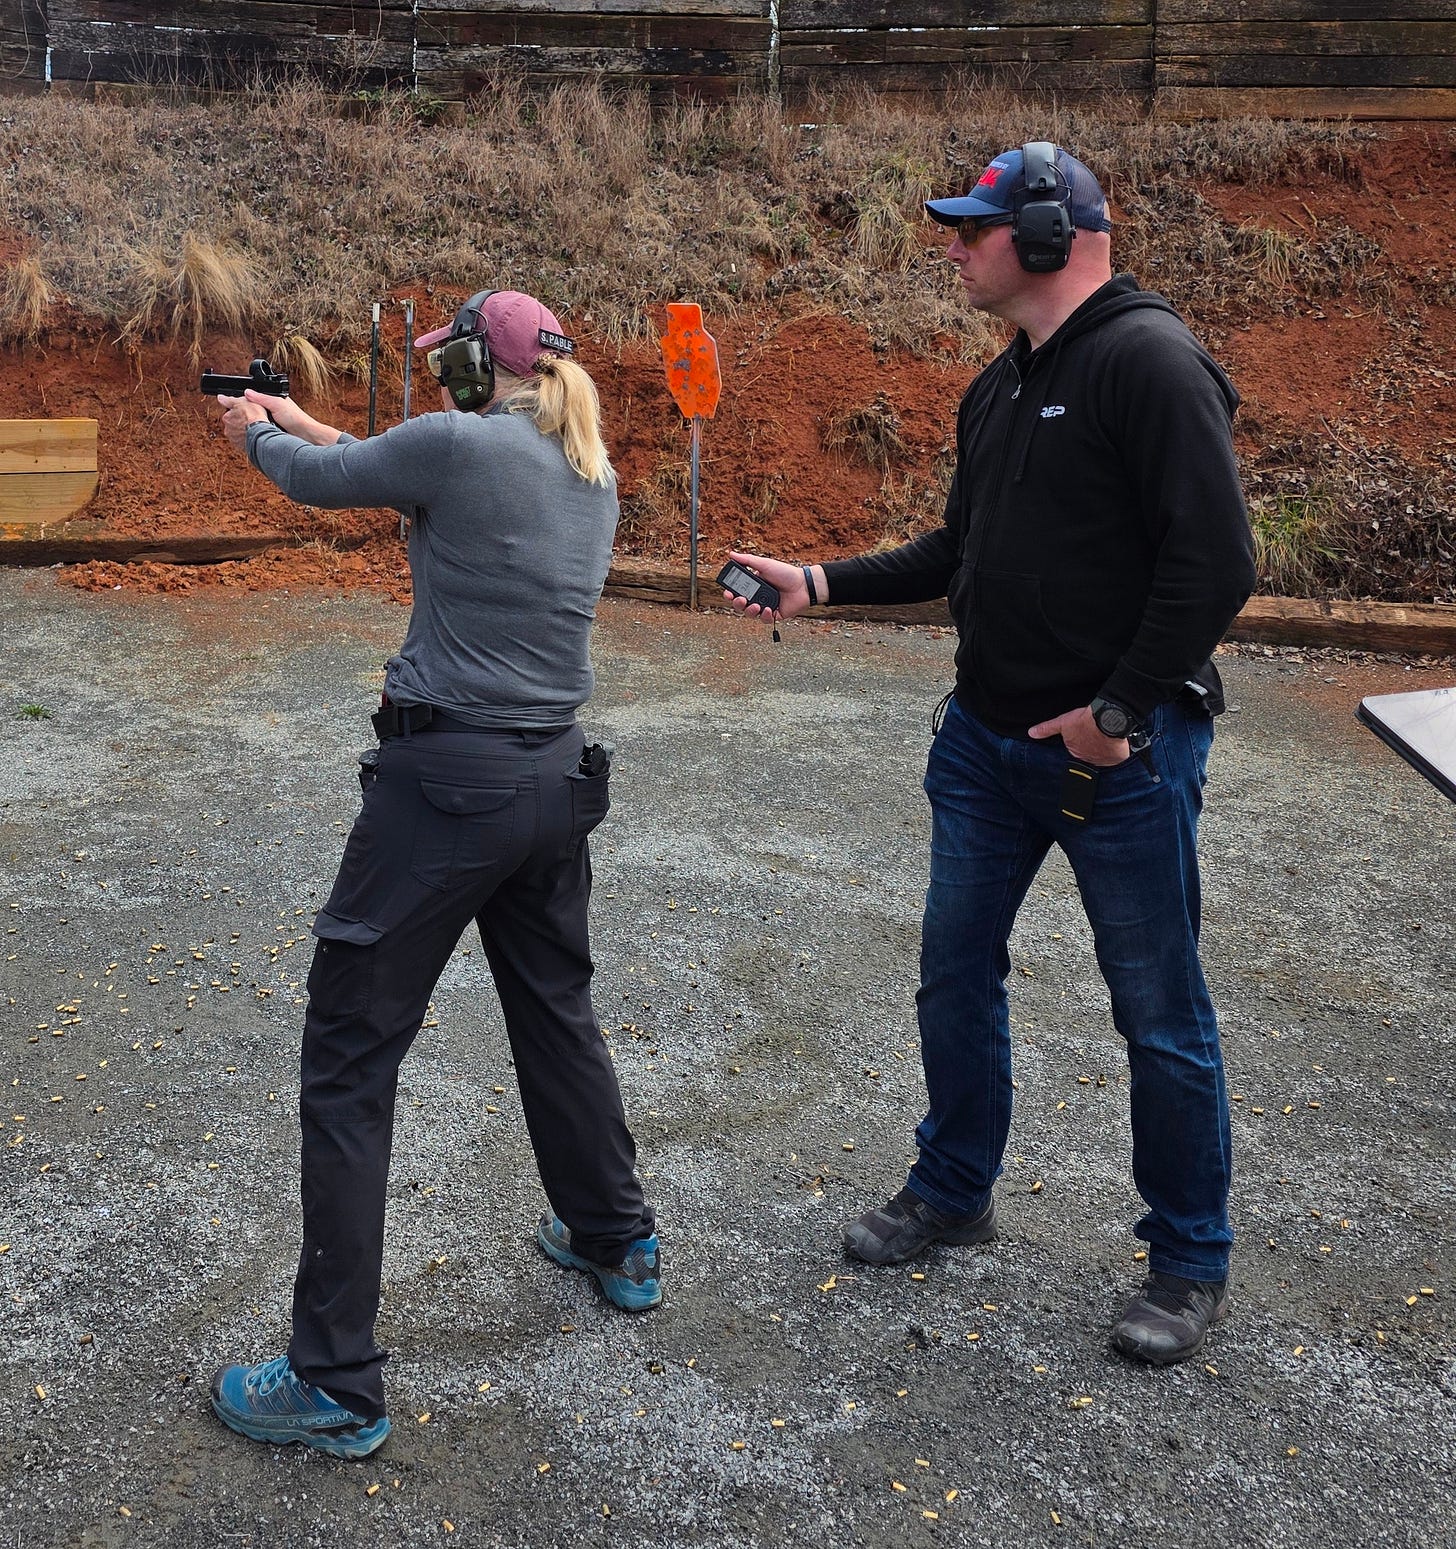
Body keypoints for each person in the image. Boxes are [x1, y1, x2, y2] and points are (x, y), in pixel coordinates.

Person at [726, 144, 1256, 1367]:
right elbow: (955, 551)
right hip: (982, 747)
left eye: (973, 229)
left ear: (1048, 236)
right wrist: (819, 583)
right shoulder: (1000, 384)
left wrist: (1115, 713)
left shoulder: (1148, 362)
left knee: (1158, 1011)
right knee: (953, 975)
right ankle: (954, 1189)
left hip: (1118, 758)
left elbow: (1217, 562)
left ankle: (1188, 1259)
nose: (955, 249)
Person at [207, 289, 659, 1459]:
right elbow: (373, 458)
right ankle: (617, 1236)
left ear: (472, 363)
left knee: (349, 1057)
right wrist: (293, 413)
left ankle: (334, 1379)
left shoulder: (456, 445)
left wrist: (251, 435)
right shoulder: (585, 465)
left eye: (446, 357)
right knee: (556, 1013)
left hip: (446, 789)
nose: (437, 372)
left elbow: (325, 480)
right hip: (553, 779)